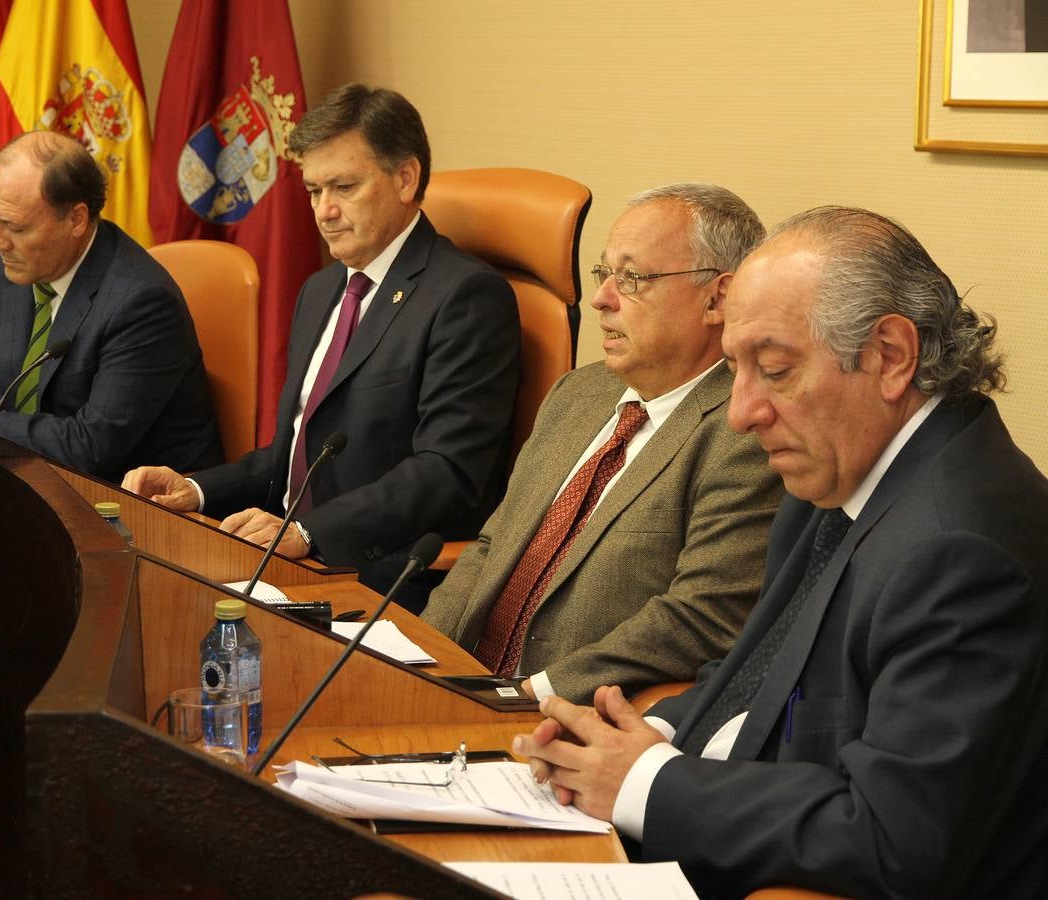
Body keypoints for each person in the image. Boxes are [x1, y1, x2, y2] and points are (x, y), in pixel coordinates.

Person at [516, 207, 1048, 898]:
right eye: (736, 368)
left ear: (889, 356)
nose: (741, 412)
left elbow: (892, 837)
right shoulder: (840, 473)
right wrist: (629, 736)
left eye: (774, 370)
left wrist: (643, 781)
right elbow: (754, 679)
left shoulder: (961, 551)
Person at [122, 84, 520, 610]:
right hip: (284, 564)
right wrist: (195, 491)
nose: (324, 211)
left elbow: (446, 471)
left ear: (405, 179)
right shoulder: (322, 289)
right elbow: (293, 456)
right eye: (313, 191)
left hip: (378, 576)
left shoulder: (465, 296)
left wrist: (308, 533)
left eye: (344, 187)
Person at [422, 184, 781, 703]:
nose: (601, 298)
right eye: (604, 273)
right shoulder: (578, 393)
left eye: (632, 278)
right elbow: (491, 547)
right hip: (463, 691)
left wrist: (525, 696)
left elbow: (701, 616)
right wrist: (419, 659)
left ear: (717, 299)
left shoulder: (747, 431)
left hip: (562, 719)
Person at [0, 131, 222, 481]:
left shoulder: (140, 302)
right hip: (31, 479)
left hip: (142, 505)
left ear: (76, 219)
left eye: (15, 227)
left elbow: (91, 446)